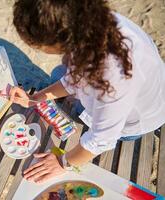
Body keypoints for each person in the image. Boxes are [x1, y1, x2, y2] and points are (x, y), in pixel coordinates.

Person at [9, 0, 165, 184]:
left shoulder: (113, 77)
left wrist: (62, 162)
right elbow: (71, 80)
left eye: (35, 45)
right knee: (58, 75)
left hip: (133, 123)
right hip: (132, 95)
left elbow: (102, 139)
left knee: (63, 89)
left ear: (60, 39)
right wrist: (34, 99)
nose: (35, 47)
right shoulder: (89, 24)